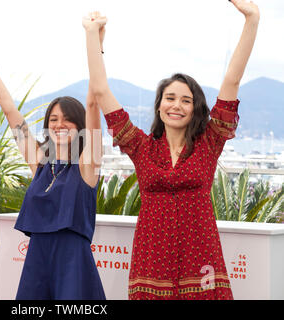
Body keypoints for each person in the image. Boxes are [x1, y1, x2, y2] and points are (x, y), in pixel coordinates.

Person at [83, 0, 259, 300]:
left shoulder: (209, 142)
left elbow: (233, 79)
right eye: (170, 98)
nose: (176, 105)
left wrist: (252, 18)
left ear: (195, 108)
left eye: (186, 100)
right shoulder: (140, 147)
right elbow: (100, 91)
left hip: (201, 264)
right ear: (159, 105)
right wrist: (92, 34)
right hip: (152, 263)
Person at [0, 36, 106, 299]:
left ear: (80, 125)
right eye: (53, 119)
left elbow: (93, 103)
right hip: (37, 260)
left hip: (73, 262)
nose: (59, 124)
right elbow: (10, 112)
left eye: (67, 119)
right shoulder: (41, 163)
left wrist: (96, 43)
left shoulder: (88, 164)